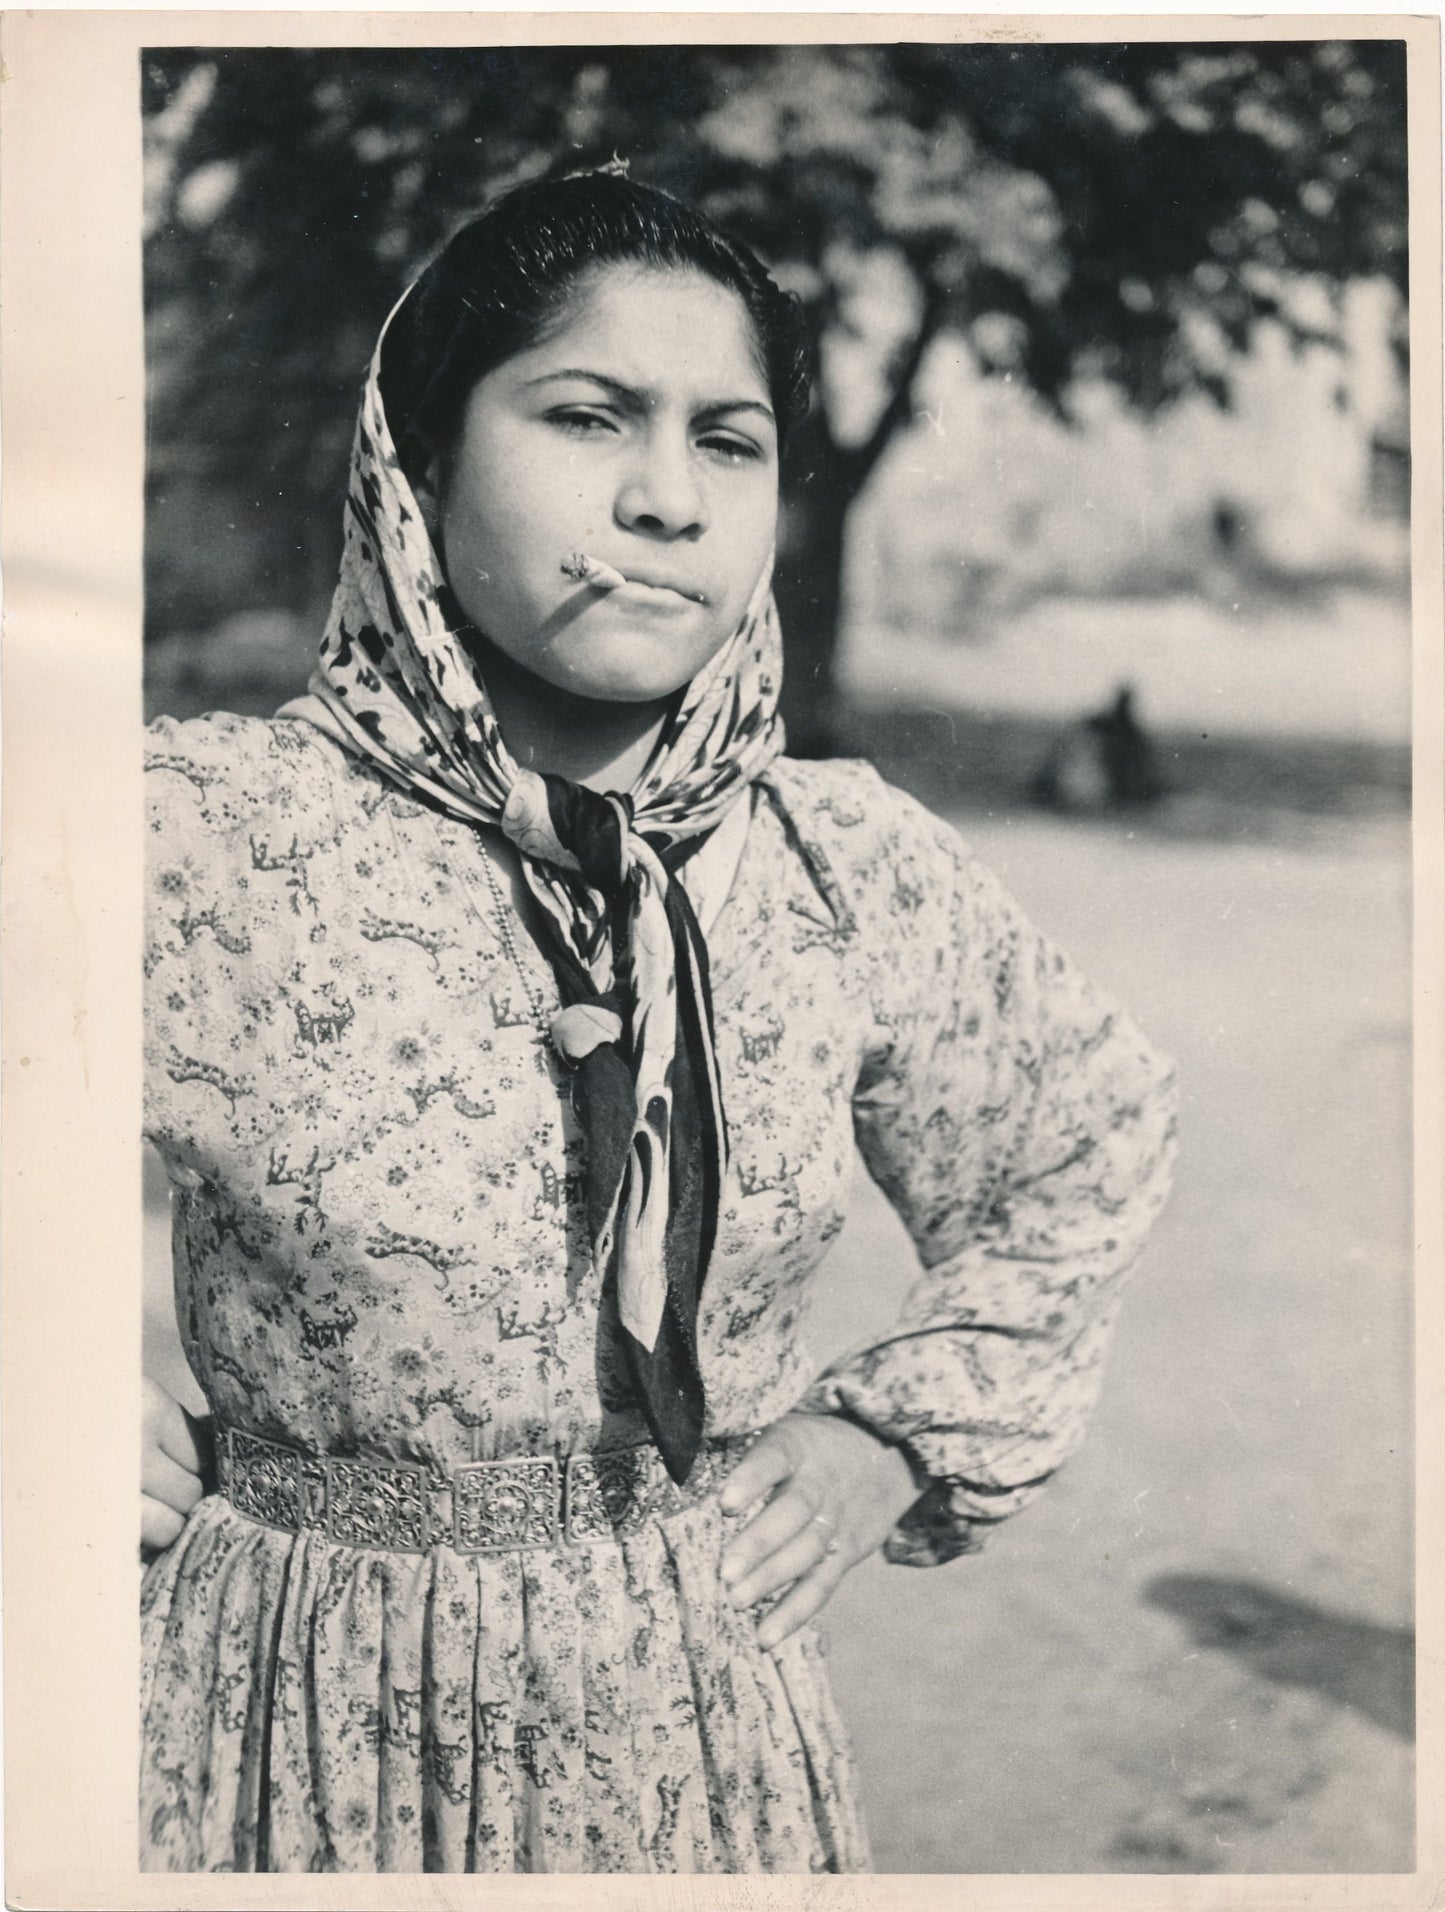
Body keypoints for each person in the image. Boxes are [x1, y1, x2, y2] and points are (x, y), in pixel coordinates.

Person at [140, 170, 1178, 1873]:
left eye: (729, 439)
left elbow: (1084, 1134)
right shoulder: (209, 834)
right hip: (288, 1718)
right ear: (419, 457)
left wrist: (884, 1432)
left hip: (692, 1722)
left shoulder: (835, 863)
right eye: (586, 415)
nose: (662, 500)